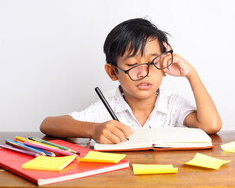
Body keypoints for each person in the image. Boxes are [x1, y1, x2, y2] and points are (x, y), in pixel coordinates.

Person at [40, 18, 222, 144]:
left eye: (154, 62)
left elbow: (211, 125)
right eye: (133, 64)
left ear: (165, 66)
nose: (145, 72)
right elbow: (47, 124)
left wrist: (191, 74)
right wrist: (93, 130)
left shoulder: (172, 105)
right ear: (113, 72)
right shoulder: (106, 107)